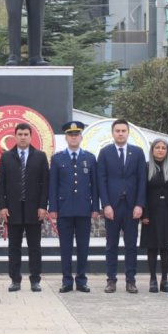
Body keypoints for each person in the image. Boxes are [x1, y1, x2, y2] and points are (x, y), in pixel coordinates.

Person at [0, 122, 50, 292]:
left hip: (34, 210)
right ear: (15, 135)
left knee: (35, 247)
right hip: (13, 210)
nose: (23, 137)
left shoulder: (40, 156)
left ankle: (35, 280)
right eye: (20, 134)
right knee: (14, 247)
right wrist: (2, 207)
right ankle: (15, 280)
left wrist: (43, 206)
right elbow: (0, 185)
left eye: (26, 134)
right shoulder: (6, 157)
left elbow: (45, 184)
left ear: (31, 136)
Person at [96, 119, 147, 293]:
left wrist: (140, 204)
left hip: (132, 206)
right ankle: (111, 280)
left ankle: (131, 280)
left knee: (131, 245)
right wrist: (106, 205)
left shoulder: (138, 153)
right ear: (112, 133)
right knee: (111, 245)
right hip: (113, 207)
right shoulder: (104, 153)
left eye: (123, 130)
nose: (120, 133)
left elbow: (142, 181)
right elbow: (101, 181)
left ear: (128, 133)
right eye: (117, 130)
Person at [49, 121, 99, 293]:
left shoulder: (90, 158)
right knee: (66, 247)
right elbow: (53, 186)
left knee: (83, 247)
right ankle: (67, 281)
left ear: (81, 137)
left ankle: (82, 280)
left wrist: (95, 208)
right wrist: (53, 208)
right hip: (64, 209)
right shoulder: (57, 159)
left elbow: (95, 186)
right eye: (70, 135)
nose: (73, 137)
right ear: (66, 137)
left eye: (76, 134)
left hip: (84, 209)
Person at [141, 139, 168, 294]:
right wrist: (144, 213)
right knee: (152, 246)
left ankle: (164, 279)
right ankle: (152, 279)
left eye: (164, 148)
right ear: (152, 150)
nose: (161, 150)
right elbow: (142, 191)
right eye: (158, 147)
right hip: (151, 212)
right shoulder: (145, 167)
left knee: (165, 246)